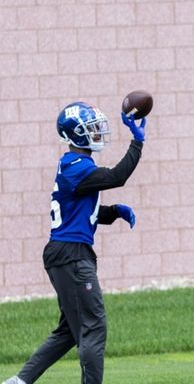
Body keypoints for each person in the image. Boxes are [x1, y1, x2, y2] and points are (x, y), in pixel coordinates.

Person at [3, 102, 146, 384]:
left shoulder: (74, 166)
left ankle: (19, 382)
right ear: (74, 135)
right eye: (89, 129)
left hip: (64, 251)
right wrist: (137, 144)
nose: (96, 132)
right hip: (72, 255)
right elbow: (116, 177)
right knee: (94, 326)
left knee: (70, 330)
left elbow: (84, 213)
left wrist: (114, 211)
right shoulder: (77, 167)